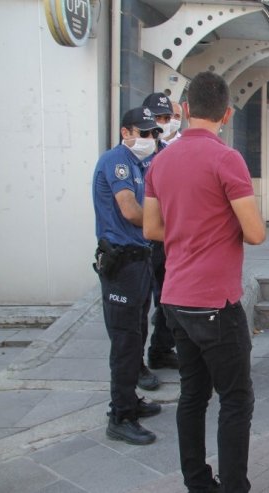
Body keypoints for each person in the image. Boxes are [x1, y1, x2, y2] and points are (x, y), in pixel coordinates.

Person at [143, 71, 266, 492]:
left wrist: (189, 227)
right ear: (227, 114)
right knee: (236, 400)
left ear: (187, 110)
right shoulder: (227, 159)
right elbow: (255, 232)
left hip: (175, 299)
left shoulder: (160, 160)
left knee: (192, 397)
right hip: (216, 303)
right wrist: (215, 226)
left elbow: (151, 228)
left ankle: (197, 482)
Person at [91, 106, 162, 445]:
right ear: (126, 132)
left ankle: (130, 398)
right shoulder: (117, 161)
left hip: (140, 259)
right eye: (143, 132)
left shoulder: (140, 163)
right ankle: (120, 416)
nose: (149, 138)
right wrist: (172, 228)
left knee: (137, 332)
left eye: (152, 133)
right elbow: (131, 210)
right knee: (124, 340)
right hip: (122, 263)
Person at [140, 92, 179, 376]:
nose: (163, 123)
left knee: (167, 301)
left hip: (165, 241)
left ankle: (160, 351)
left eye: (167, 118)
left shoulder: (168, 154)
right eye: (158, 118)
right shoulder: (131, 155)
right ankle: (136, 367)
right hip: (139, 243)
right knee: (139, 308)